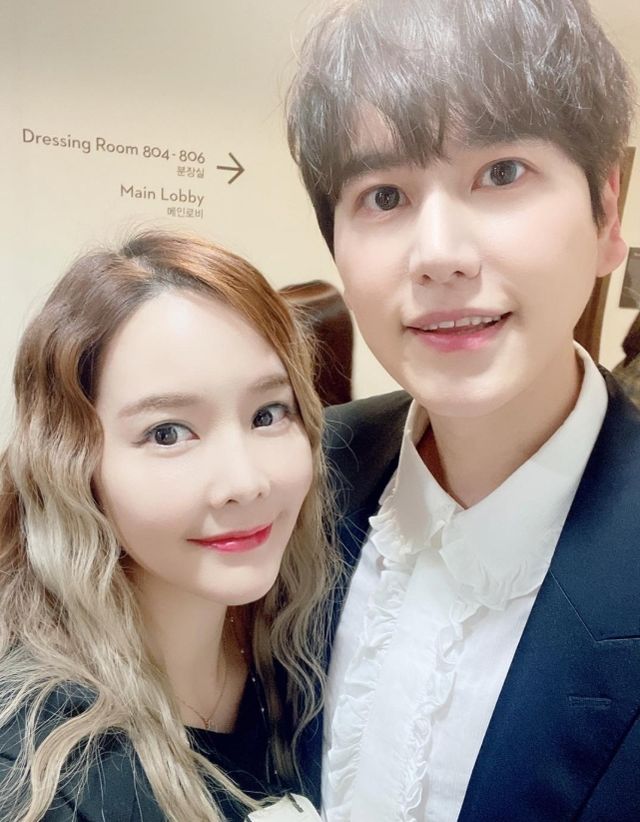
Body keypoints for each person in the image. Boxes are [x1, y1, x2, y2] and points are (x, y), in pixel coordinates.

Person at [286, 1, 640, 820]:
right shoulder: (300, 474)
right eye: (383, 195)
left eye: (503, 172)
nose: (439, 255)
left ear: (607, 214)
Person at [0, 231, 334, 821]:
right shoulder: (44, 777)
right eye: (168, 433)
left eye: (267, 414)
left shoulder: (301, 646)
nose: (245, 482)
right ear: (72, 464)